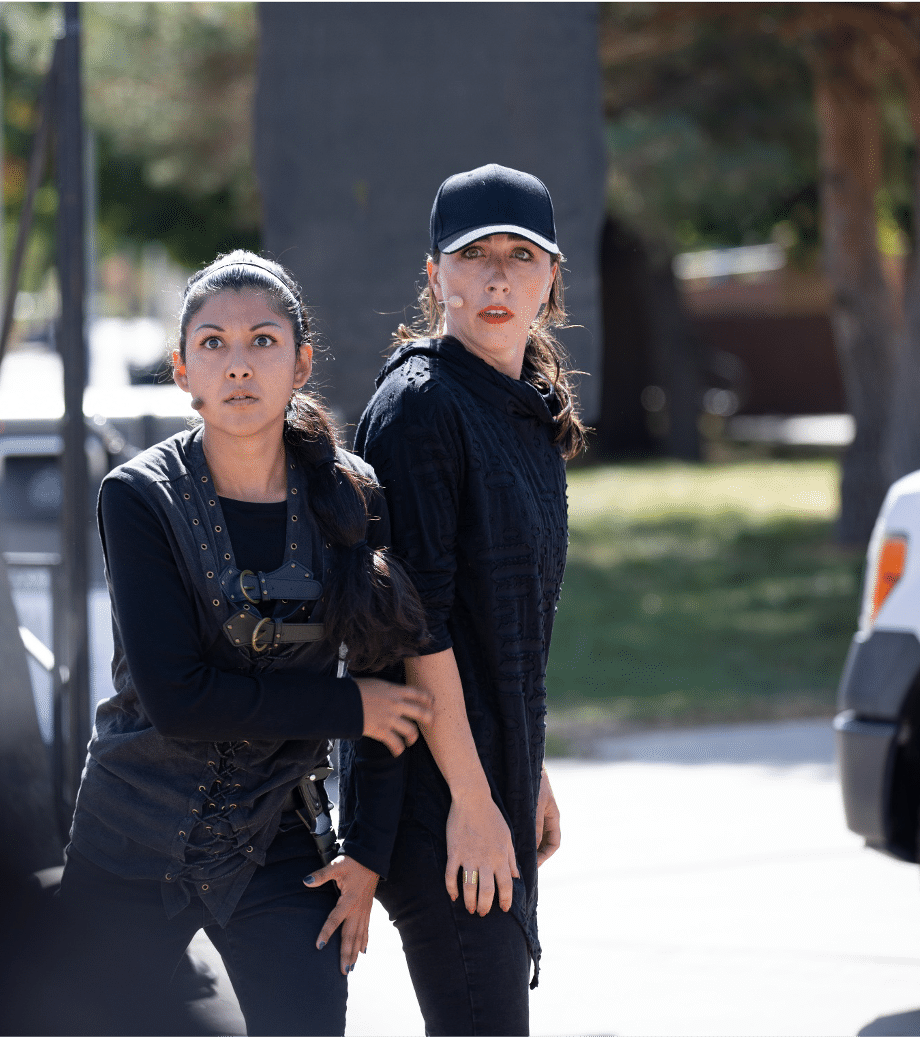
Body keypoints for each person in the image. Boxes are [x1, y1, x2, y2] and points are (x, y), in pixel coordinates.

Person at [59, 251, 433, 1036]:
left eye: (263, 341)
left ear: (300, 363)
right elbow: (178, 698)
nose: (238, 365)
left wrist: (365, 853)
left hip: (275, 837)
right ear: (182, 370)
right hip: (129, 832)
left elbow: (392, 694)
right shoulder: (137, 497)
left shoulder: (352, 496)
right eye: (214, 344)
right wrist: (346, 705)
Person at [354, 165, 585, 1036]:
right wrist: (478, 801)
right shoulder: (421, 407)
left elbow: (511, 629)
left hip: (492, 776)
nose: (497, 277)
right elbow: (424, 628)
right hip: (439, 799)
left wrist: (530, 768)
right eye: (474, 256)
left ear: (551, 278)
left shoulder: (522, 406)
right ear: (434, 276)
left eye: (521, 256)